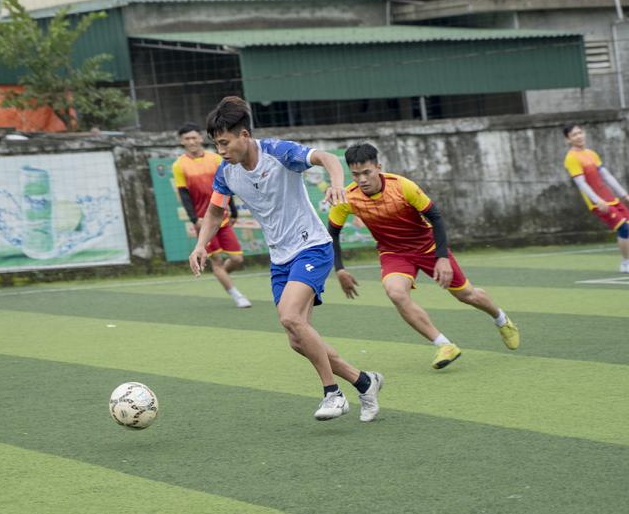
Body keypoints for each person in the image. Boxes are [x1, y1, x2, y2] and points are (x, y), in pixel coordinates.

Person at [189, 97, 382, 422]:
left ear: (244, 135)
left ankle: (332, 393)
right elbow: (215, 210)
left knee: (290, 317)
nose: (220, 150)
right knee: (298, 339)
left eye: (224, 142)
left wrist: (337, 184)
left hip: (312, 247)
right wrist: (199, 245)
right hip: (280, 258)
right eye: (216, 144)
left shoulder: (278, 153)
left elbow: (326, 157)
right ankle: (365, 381)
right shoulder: (226, 172)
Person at [328, 143, 519, 369]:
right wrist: (339, 269)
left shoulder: (402, 186)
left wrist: (442, 257)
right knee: (395, 293)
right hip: (394, 253)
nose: (362, 179)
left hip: (427, 246)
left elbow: (436, 217)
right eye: (356, 174)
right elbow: (332, 234)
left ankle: (501, 319)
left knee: (467, 295)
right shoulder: (347, 198)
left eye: (367, 172)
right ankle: (444, 345)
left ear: (378, 168)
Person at [172, 122, 251, 309]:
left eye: (194, 137)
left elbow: (227, 185)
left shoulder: (216, 159)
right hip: (203, 220)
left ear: (200, 138)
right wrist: (195, 219)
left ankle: (221, 274)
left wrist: (233, 210)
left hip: (222, 217)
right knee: (216, 261)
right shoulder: (179, 165)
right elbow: (184, 195)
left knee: (238, 258)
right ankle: (237, 295)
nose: (191, 141)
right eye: (187, 139)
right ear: (181, 141)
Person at [562, 124, 629, 273]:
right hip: (598, 202)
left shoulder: (591, 153)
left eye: (580, 133)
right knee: (624, 228)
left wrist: (623, 194)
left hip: (610, 198)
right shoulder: (571, 158)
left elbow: (606, 175)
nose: (579, 136)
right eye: (574, 135)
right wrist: (597, 200)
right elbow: (581, 183)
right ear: (568, 139)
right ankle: (625, 264)